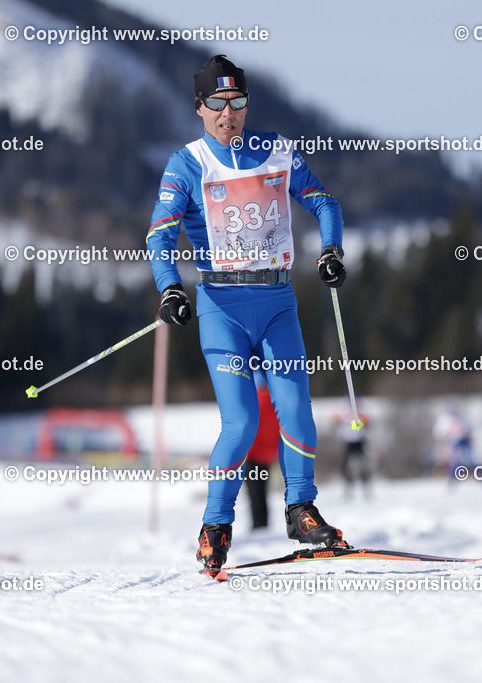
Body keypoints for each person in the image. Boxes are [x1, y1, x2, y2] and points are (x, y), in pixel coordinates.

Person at [147, 55, 350, 574]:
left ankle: (301, 511)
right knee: (241, 422)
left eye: (237, 102)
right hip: (222, 307)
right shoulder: (186, 163)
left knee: (297, 408)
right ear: (199, 108)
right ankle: (215, 527)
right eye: (217, 104)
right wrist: (170, 288)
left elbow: (325, 203)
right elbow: (159, 236)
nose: (228, 114)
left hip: (277, 302)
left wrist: (330, 251)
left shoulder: (277, 151)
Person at [243, 375, 278, 529]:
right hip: (268, 456)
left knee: (254, 494)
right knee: (263, 492)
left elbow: (248, 429)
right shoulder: (276, 402)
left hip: (253, 456)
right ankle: (263, 523)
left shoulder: (254, 401)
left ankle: (258, 525)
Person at [333, 396, 371, 499]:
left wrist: (363, 422)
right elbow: (335, 420)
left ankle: (366, 488)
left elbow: (368, 423)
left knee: (363, 465)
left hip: (359, 442)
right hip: (347, 442)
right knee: (345, 466)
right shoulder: (344, 414)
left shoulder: (361, 413)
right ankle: (347, 489)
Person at [434, 403, 475, 482]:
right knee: (455, 459)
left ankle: (476, 473)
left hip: (464, 439)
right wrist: (444, 439)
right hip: (454, 441)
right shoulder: (445, 419)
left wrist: (468, 435)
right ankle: (454, 475)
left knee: (470, 457)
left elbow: (467, 427)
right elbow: (439, 432)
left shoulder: (461, 417)